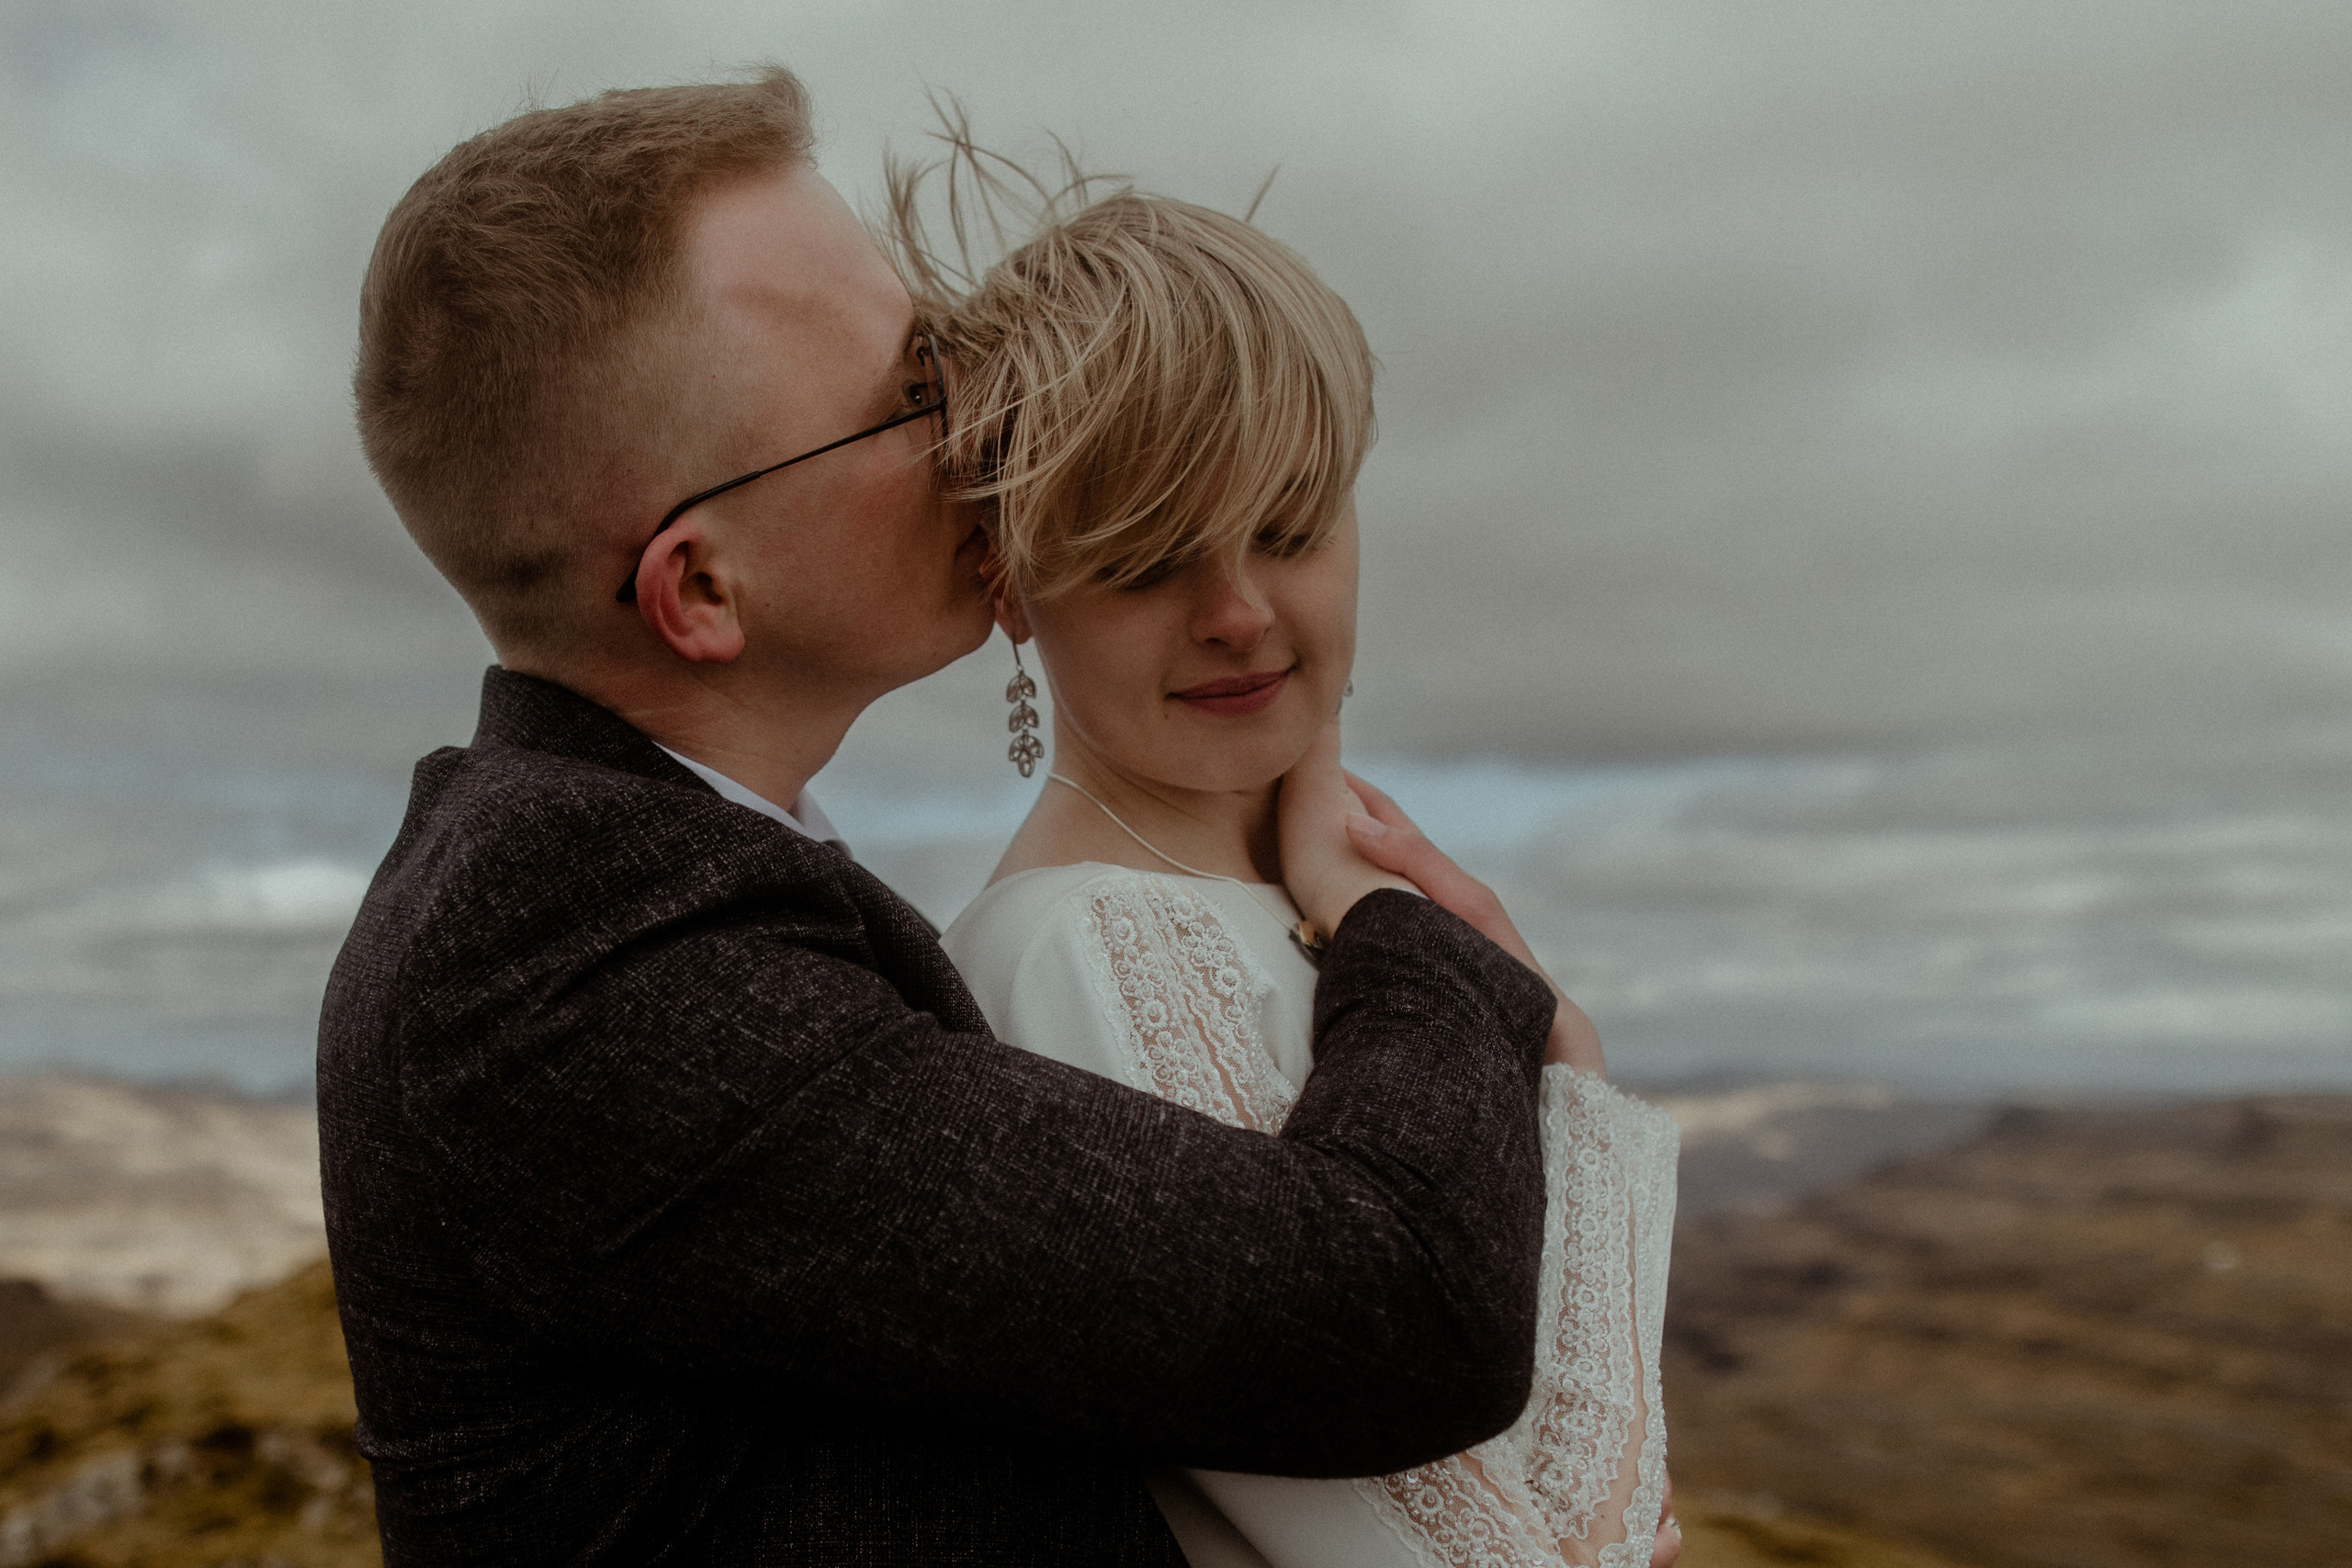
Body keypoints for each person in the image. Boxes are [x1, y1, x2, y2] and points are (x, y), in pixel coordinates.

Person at [322, 66, 1604, 1565]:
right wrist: (1417, 938)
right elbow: (1399, 1314)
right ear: (703, 590)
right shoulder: (568, 977)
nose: (989, 429)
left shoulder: (632, 887)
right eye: (911, 396)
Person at [901, 156, 1682, 1567]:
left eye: (1288, 527)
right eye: (1147, 559)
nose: (1241, 613)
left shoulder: (1314, 916)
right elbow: (1516, 1555)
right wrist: (1569, 1075)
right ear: (1008, 584)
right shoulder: (1088, 956)